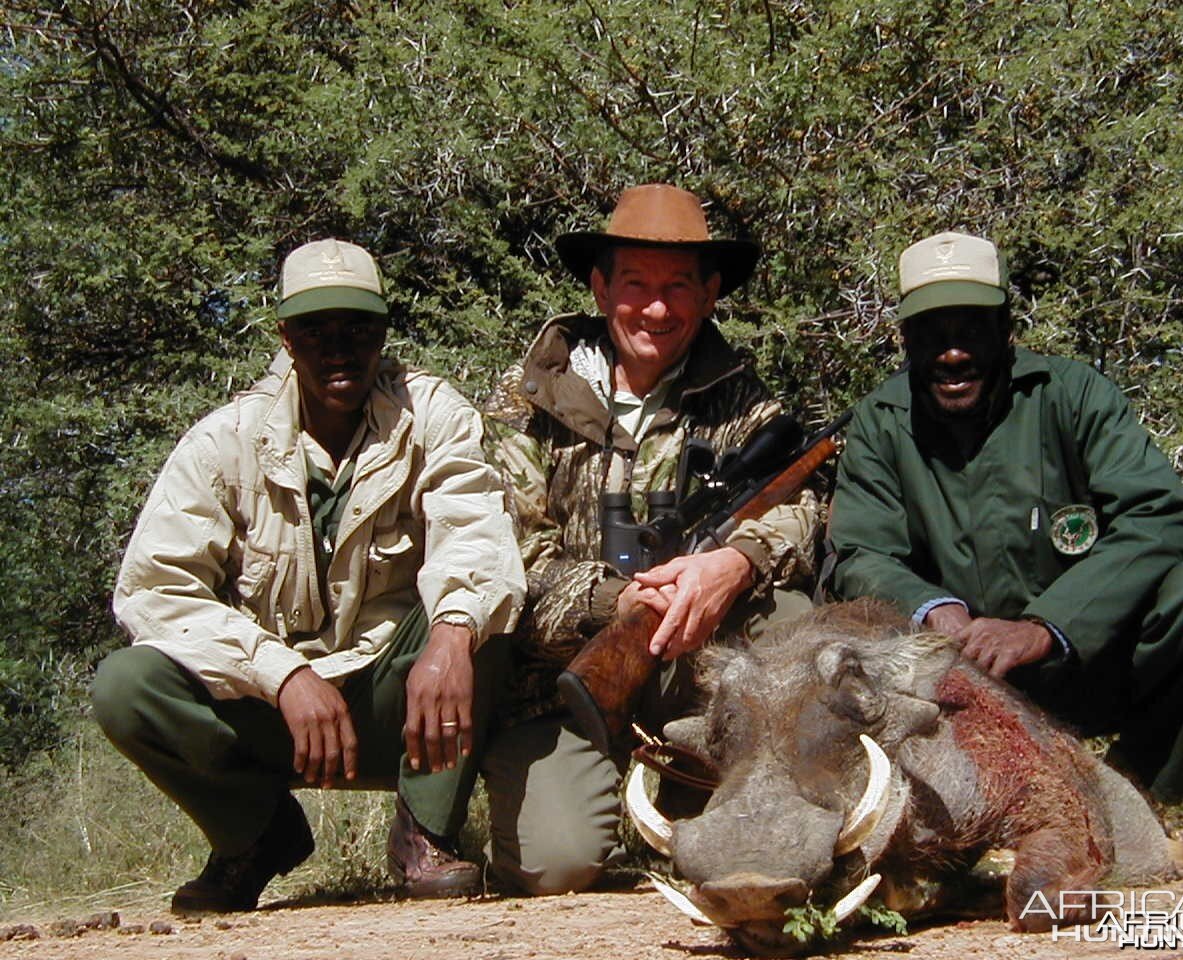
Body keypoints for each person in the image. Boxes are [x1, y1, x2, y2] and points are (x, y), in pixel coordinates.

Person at [93, 238, 526, 913]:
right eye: (316, 330)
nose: (339, 348)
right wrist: (282, 674)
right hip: (277, 713)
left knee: (478, 615)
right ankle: (255, 835)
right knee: (127, 685)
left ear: (385, 333)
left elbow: (475, 536)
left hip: (399, 701)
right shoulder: (223, 442)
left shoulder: (434, 415)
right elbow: (152, 592)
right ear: (286, 338)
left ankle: (425, 831)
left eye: (360, 328)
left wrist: (449, 637)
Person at [828, 230, 1183, 803]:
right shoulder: (880, 420)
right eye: (932, 331)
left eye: (971, 329)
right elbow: (861, 555)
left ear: (1006, 329)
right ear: (906, 337)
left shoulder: (1076, 395)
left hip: (1086, 667)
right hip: (951, 682)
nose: (952, 352)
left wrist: (1046, 628)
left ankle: (1136, 797)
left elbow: (1162, 517)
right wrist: (934, 610)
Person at [481, 184, 818, 894]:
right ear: (601, 288)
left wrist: (735, 561)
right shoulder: (525, 398)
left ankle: (711, 795)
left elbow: (800, 505)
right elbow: (505, 552)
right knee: (557, 864)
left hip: (695, 665)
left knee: (790, 620)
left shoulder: (744, 400)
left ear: (711, 293)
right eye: (636, 285)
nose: (657, 309)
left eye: (678, 287)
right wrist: (618, 600)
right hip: (557, 678)